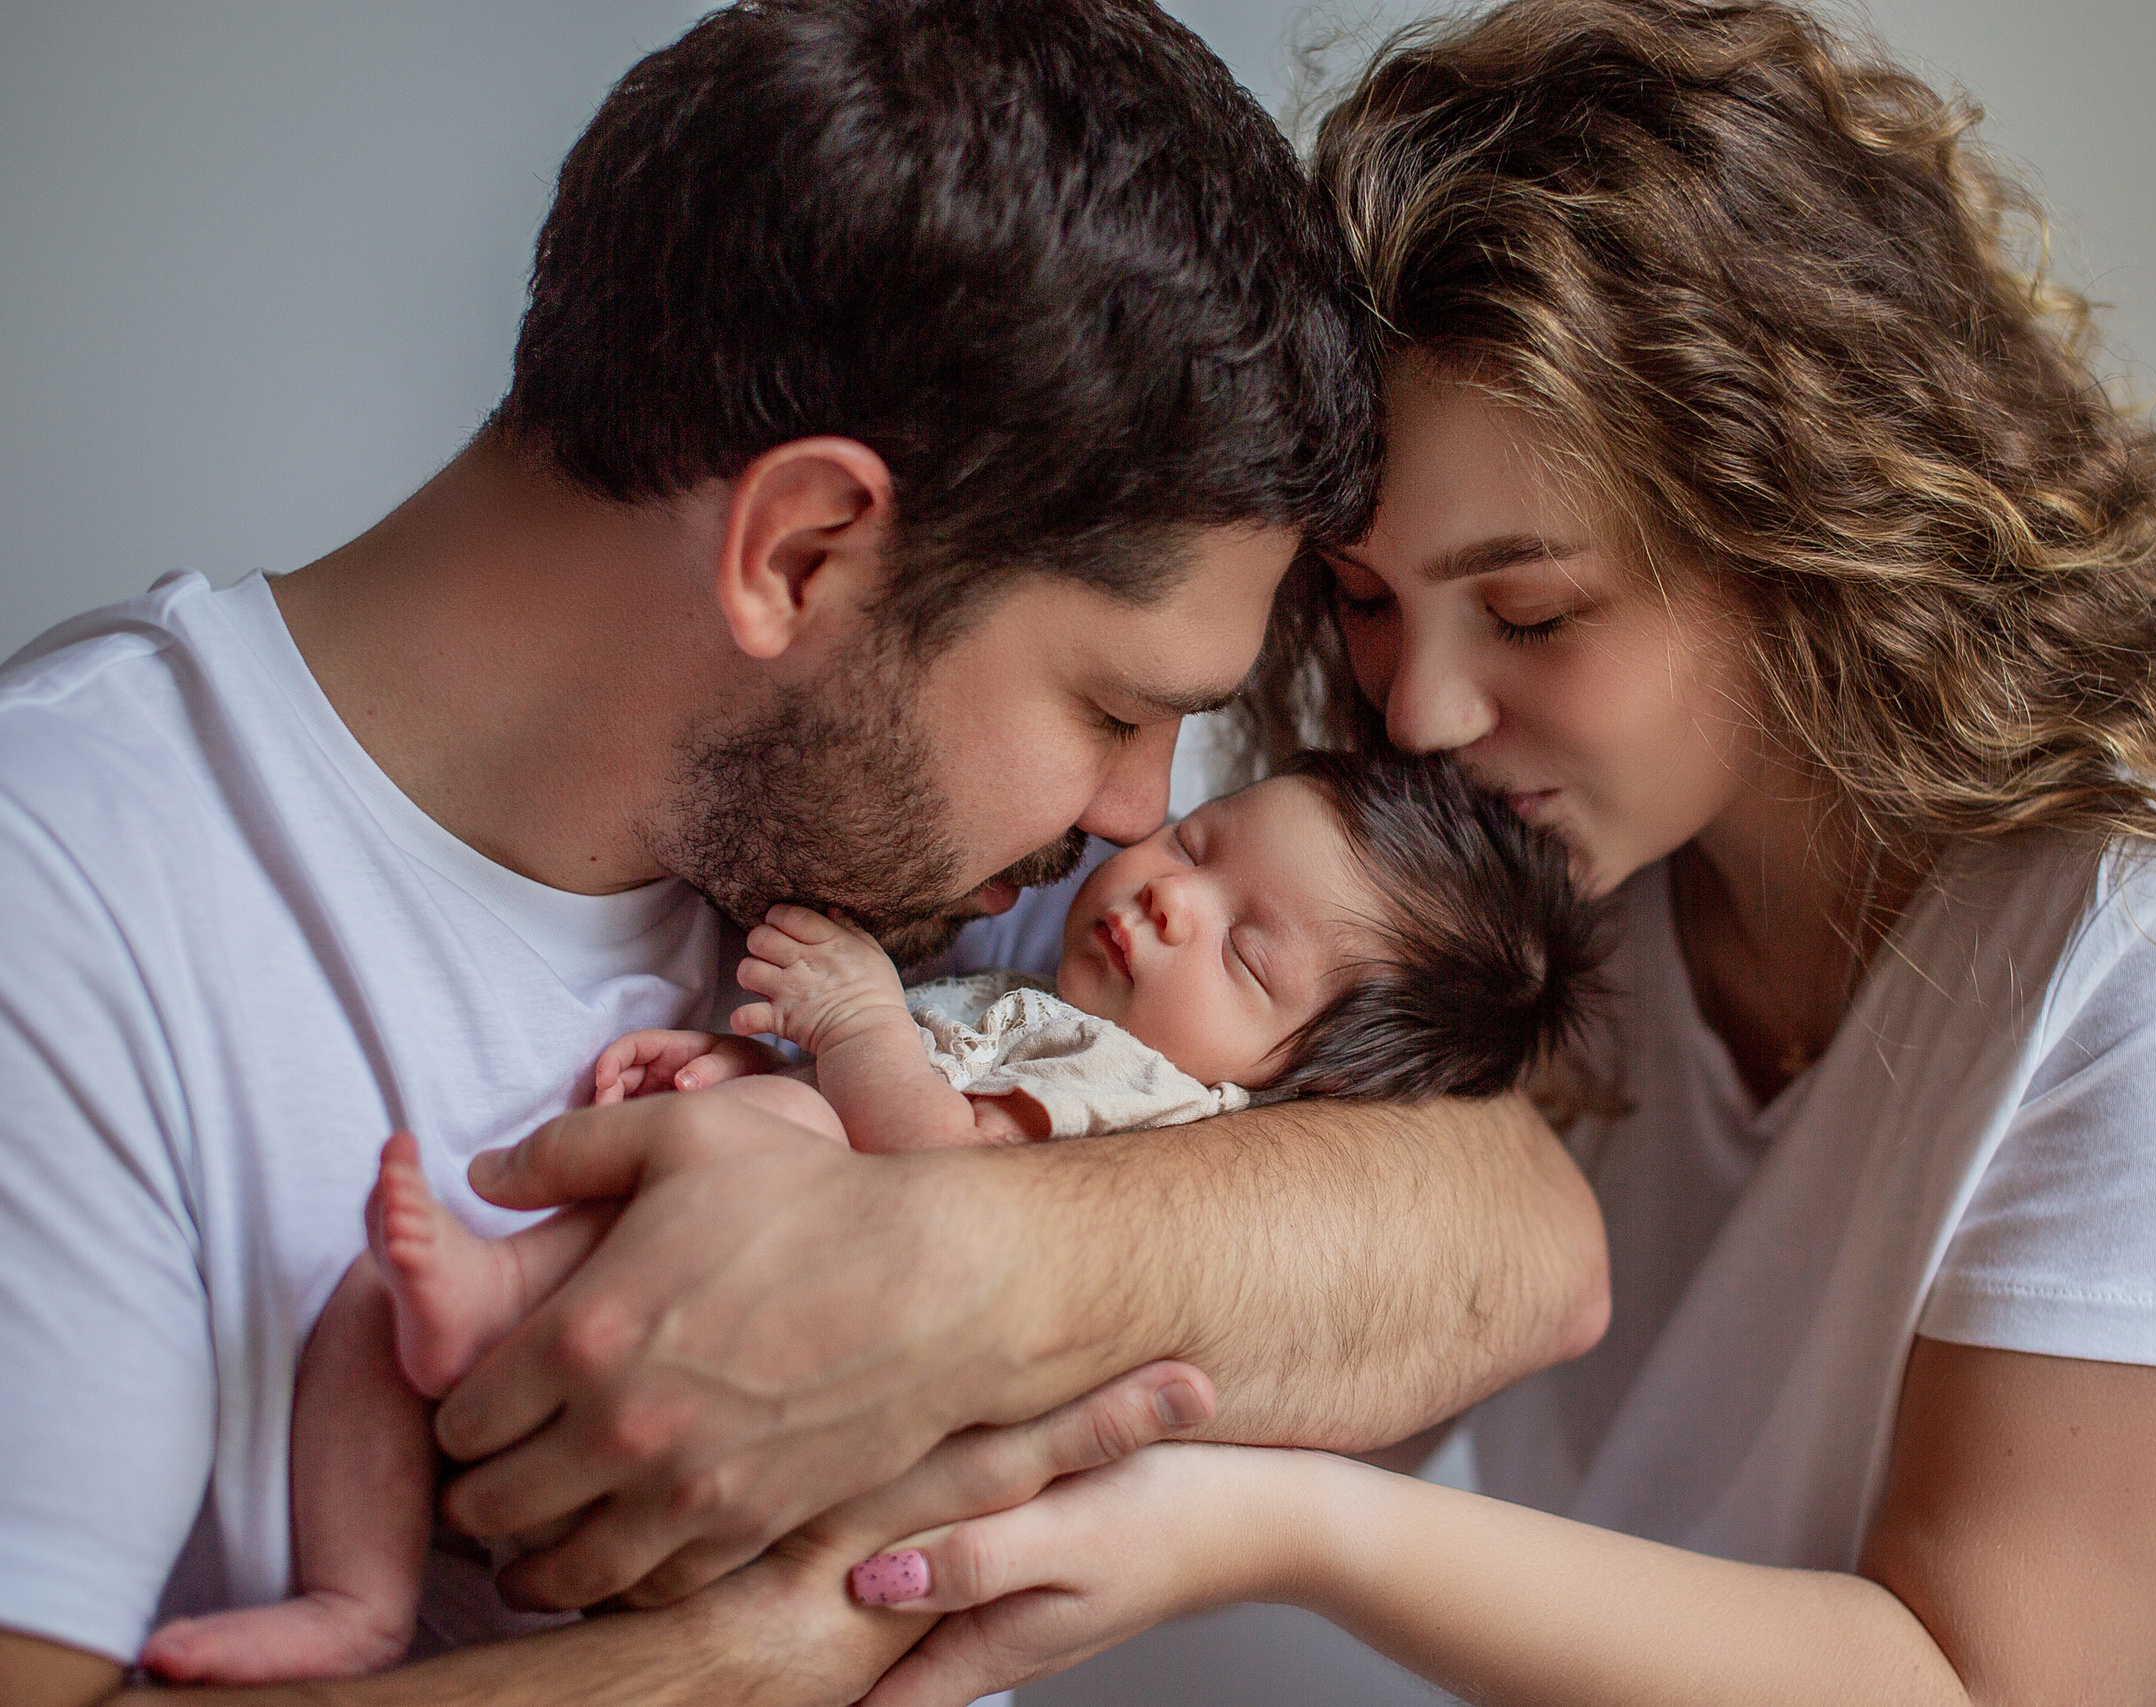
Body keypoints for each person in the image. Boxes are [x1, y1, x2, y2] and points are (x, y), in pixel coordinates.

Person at [821, 3, 2156, 1702]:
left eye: (1531, 609)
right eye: (1359, 602)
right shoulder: (1549, 893)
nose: (1416, 710)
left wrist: (1269, 1528)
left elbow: (1987, 1685)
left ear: (1804, 536)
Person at [0, 4, 1611, 1704]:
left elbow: (1523, 1237)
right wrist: (776, 1652)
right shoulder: (69, 911)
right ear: (806, 549)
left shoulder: (896, 866)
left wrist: (972, 1270)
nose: (1140, 820)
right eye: (1114, 708)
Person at [137, 752, 1604, 1685]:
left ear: (1301, 1083)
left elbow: (927, 1170)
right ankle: (353, 1594)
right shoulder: (1027, 995)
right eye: (1206, 846)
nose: (1169, 898)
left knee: (756, 1143)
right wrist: (735, 1065)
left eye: (1248, 951)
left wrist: (838, 1031)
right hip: (682, 1348)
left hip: (772, 1393)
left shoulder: (1138, 1097)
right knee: (354, 1312)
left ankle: (494, 1286)